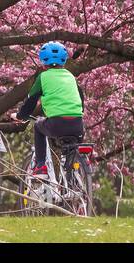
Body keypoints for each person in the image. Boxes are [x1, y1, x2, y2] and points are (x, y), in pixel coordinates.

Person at [16, 42, 84, 175]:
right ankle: (72, 181)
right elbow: (81, 100)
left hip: (56, 125)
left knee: (38, 125)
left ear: (43, 61)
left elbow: (31, 102)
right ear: (64, 60)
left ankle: (41, 165)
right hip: (77, 125)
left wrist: (20, 116)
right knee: (70, 151)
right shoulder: (70, 77)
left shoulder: (43, 77)